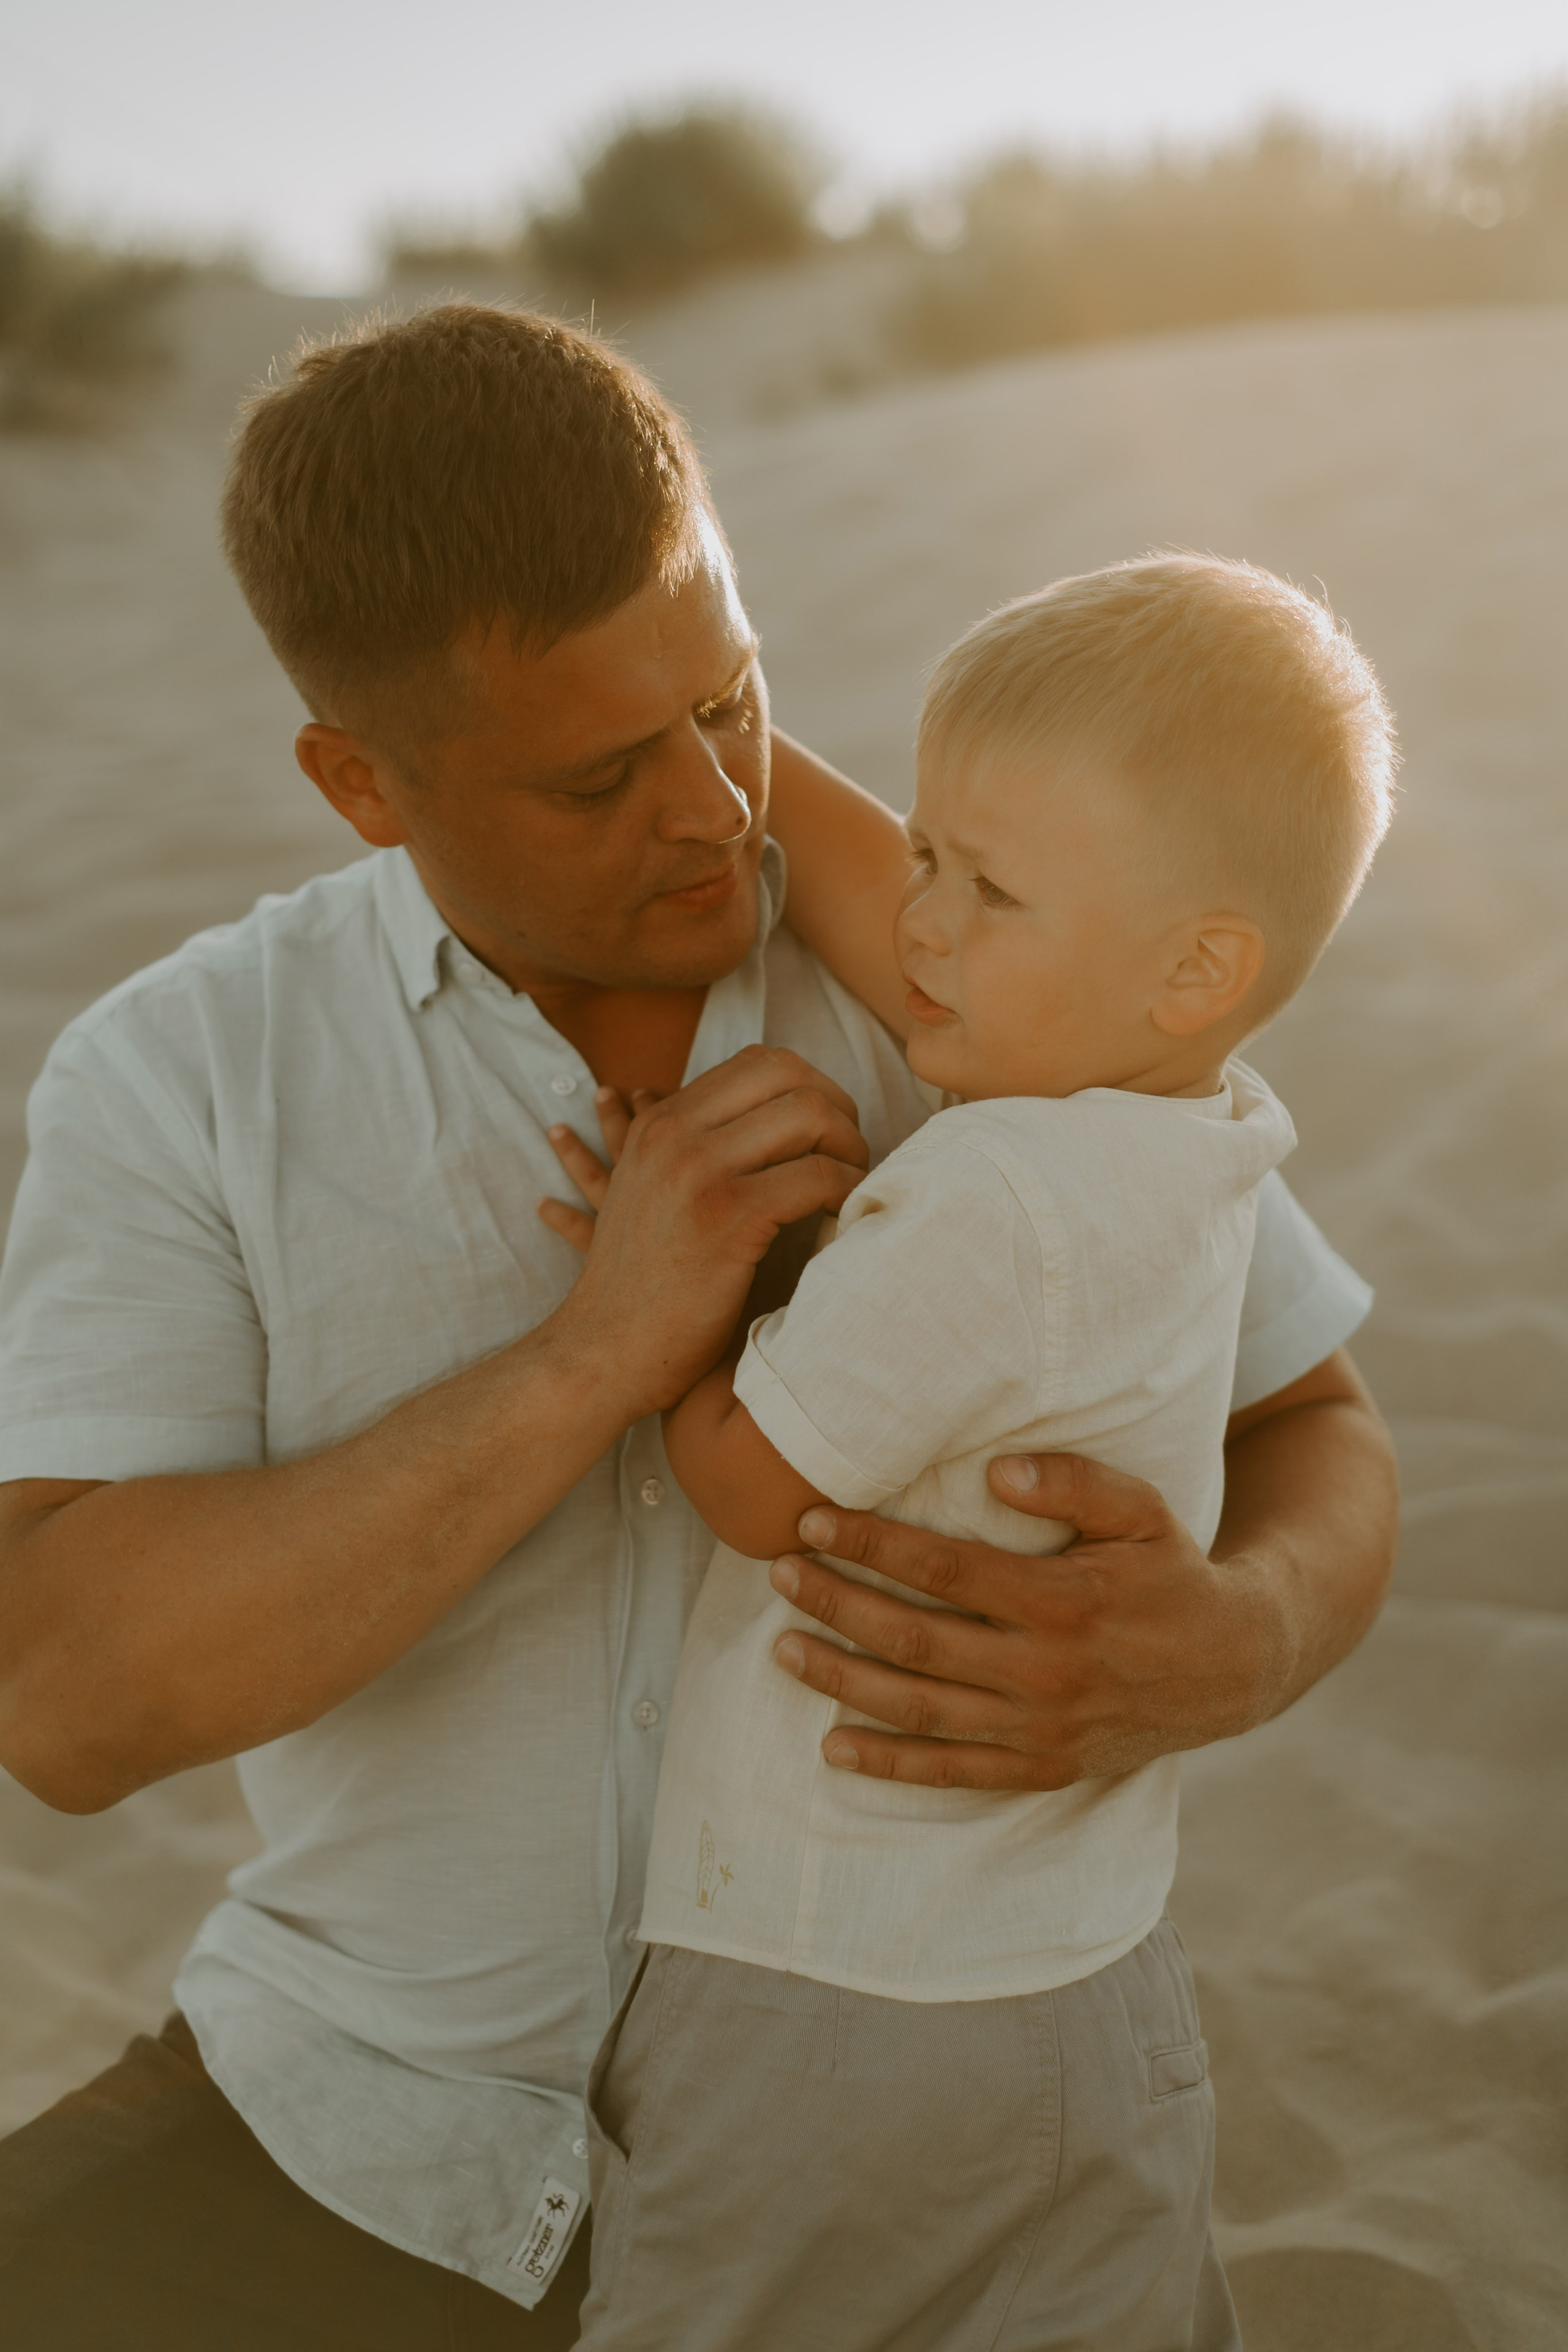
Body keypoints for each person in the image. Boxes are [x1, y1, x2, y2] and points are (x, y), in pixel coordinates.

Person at [0, 307, 1396, 2351]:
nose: (710, 812)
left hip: (927, 2119)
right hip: (366, 2115)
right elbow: (64, 1701)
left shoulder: (981, 978)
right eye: (594, 777)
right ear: (357, 785)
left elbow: (1325, 1426)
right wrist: (593, 1358)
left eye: (733, 704)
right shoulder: (184, 1076)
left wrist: (1247, 1636)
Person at [567, 555, 1394, 2351]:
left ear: (1199, 970)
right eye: (922, 855)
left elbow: (753, 1483)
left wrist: (669, 1289)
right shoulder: (1214, 1146)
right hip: (1095, 1978)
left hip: (828, 1990)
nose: (917, 925)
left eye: (988, 889)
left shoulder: (988, 1187)